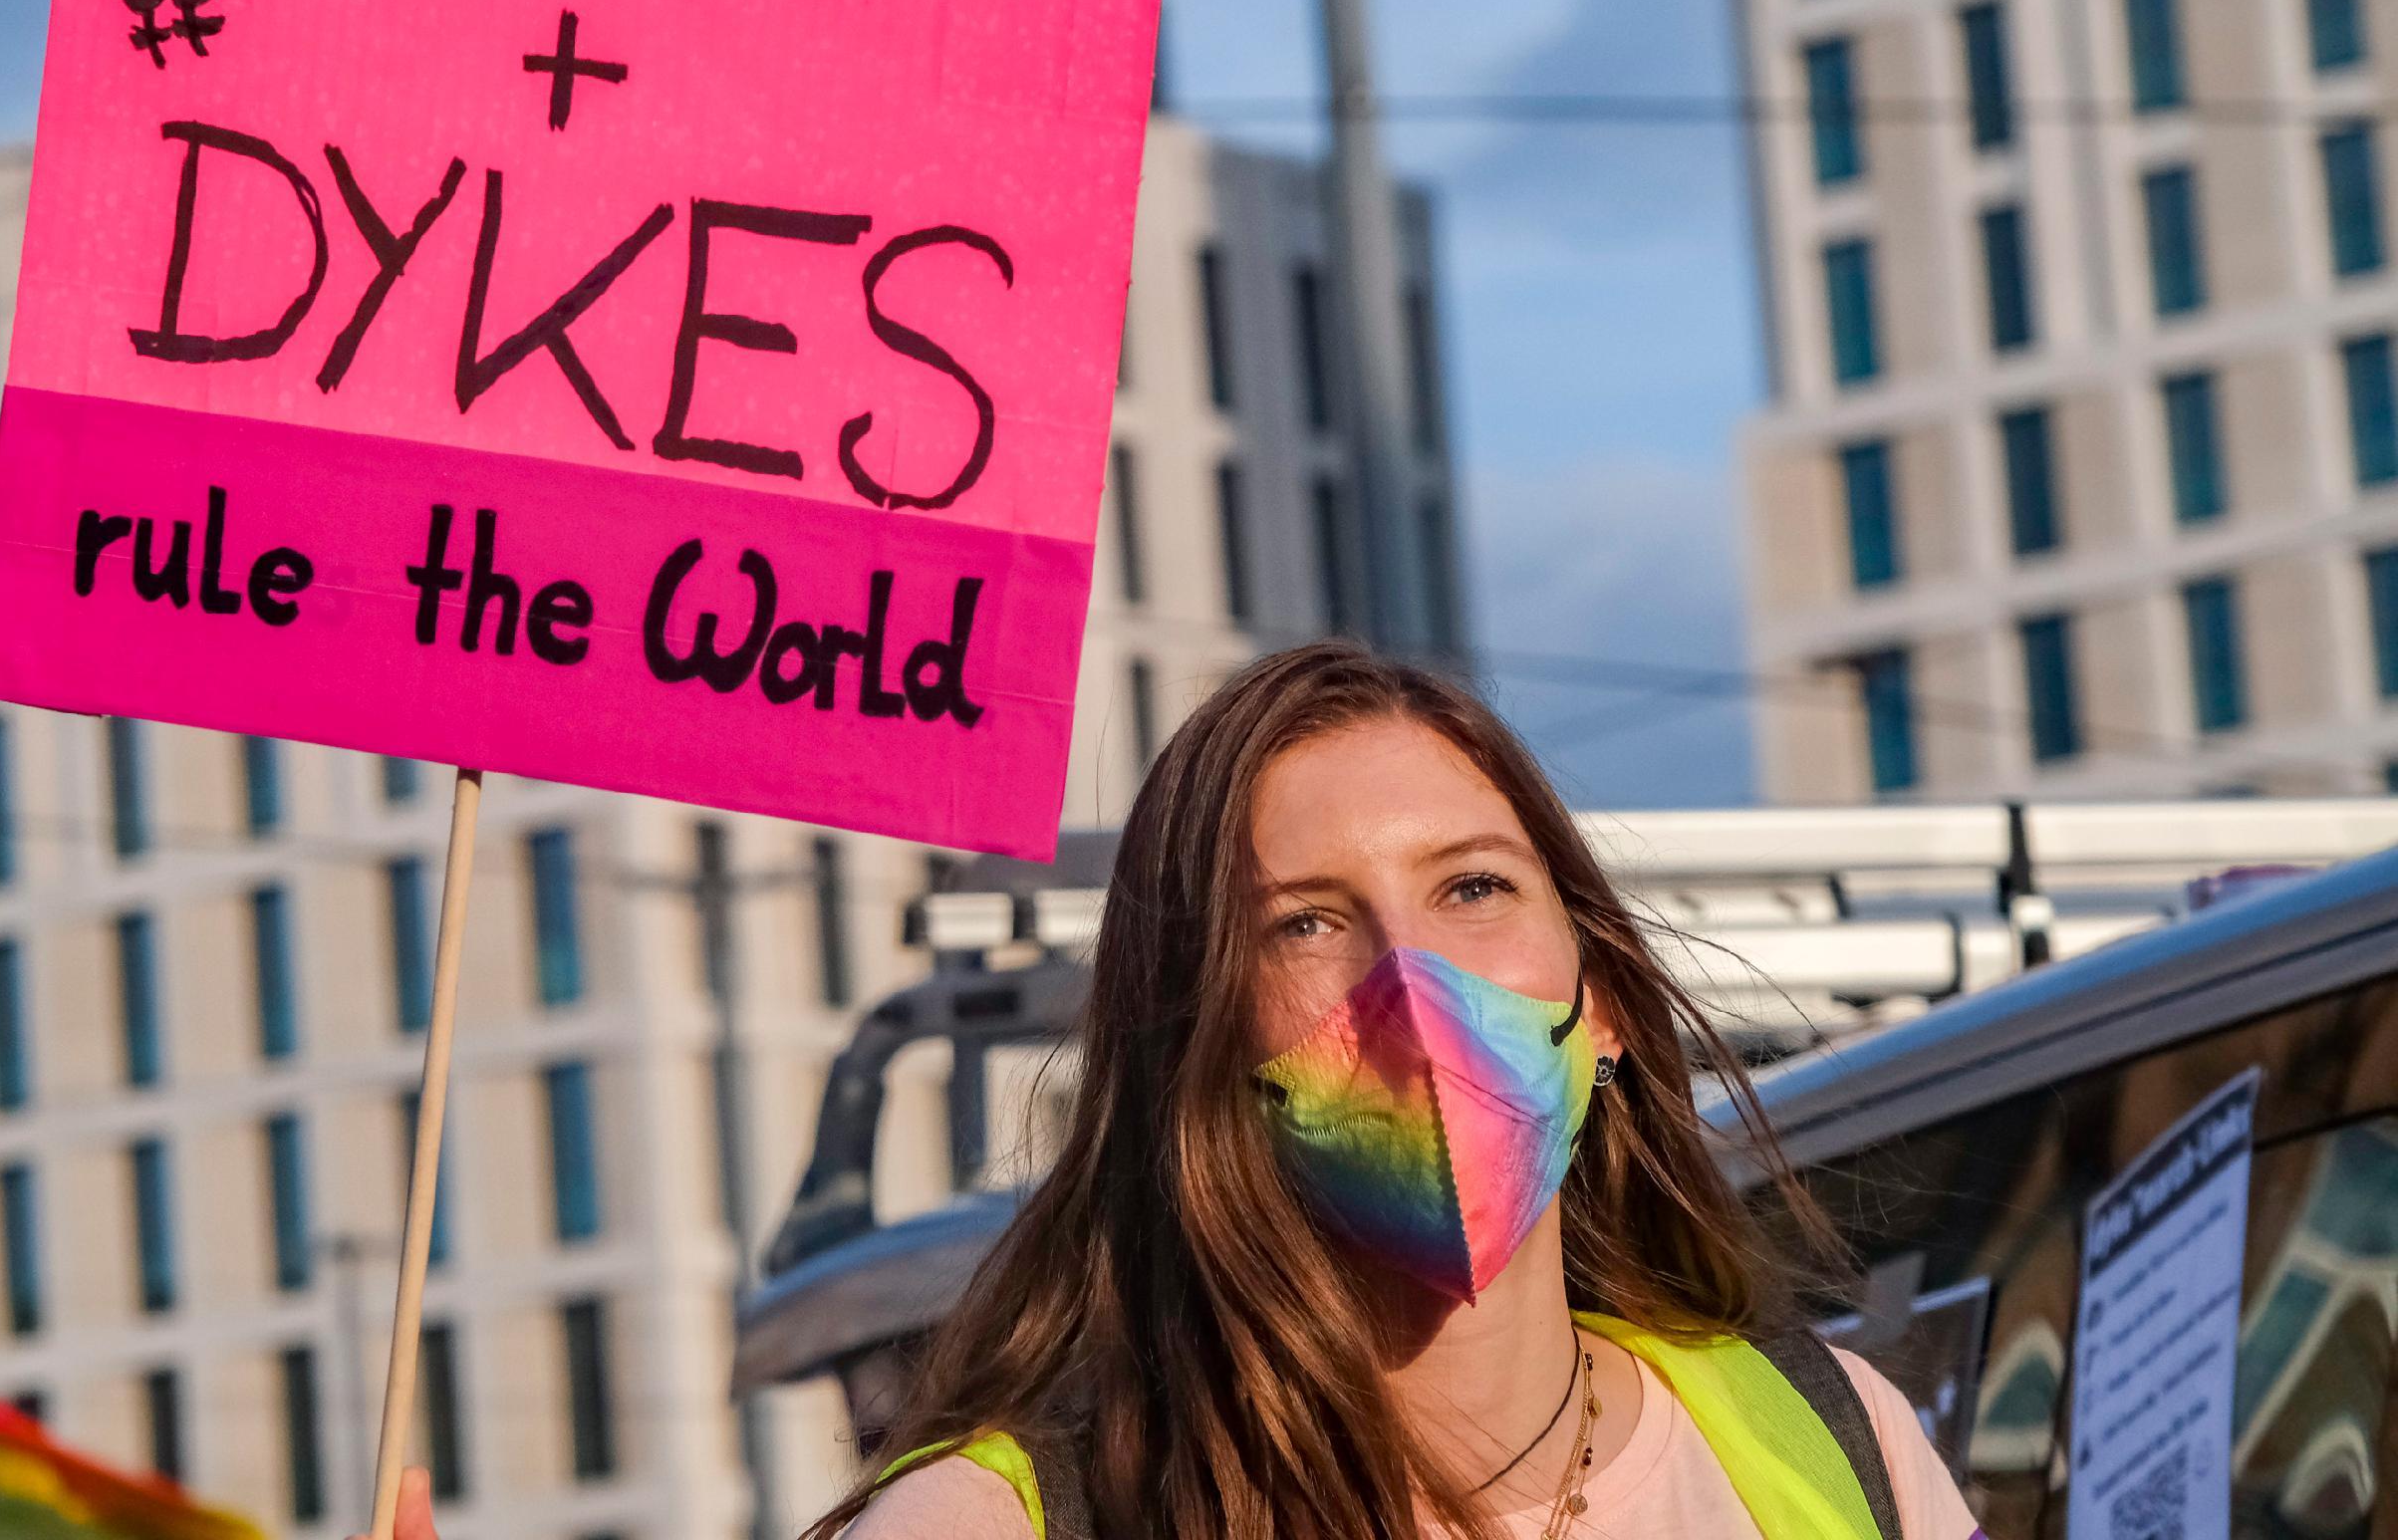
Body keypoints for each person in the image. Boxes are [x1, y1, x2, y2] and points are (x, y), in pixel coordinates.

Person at [811, 643, 1980, 1540]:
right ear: (1190, 1052)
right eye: (1306, 920)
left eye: (1473, 886)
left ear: (1608, 1004)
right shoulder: (996, 1521)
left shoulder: (1838, 1437)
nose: (1413, 992)